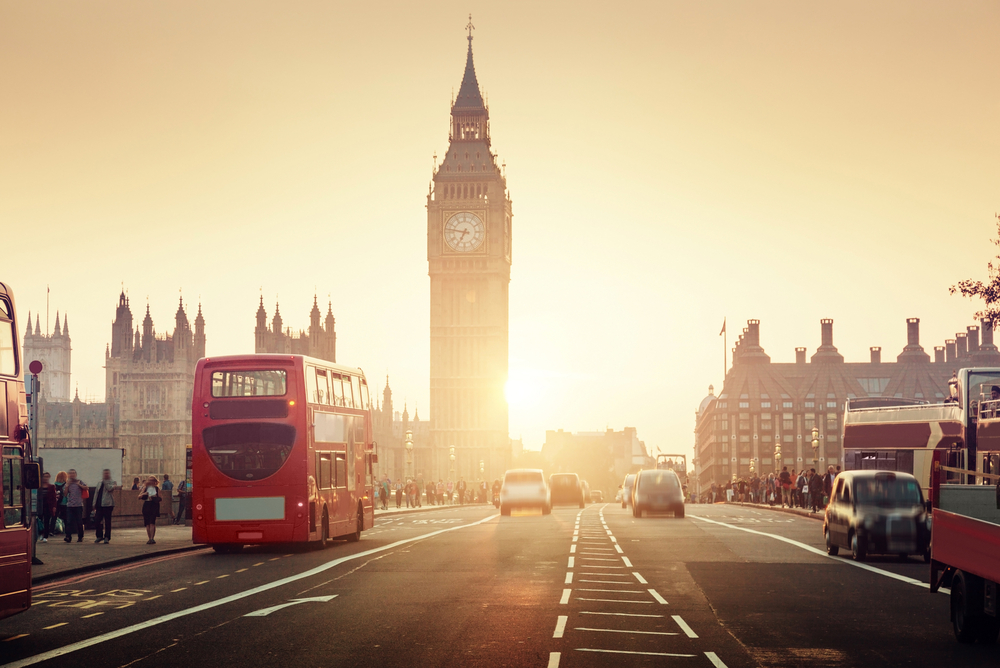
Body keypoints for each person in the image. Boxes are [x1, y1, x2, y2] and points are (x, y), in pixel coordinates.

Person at [92, 469, 117, 544]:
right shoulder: (99, 482)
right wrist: (94, 503)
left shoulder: (113, 482)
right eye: (104, 473)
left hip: (108, 504)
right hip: (99, 504)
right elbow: (96, 493)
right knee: (97, 520)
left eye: (107, 473)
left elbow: (110, 489)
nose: (106, 475)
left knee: (107, 521)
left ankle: (107, 537)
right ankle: (99, 536)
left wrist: (106, 482)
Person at [63, 469, 88, 543]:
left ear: (75, 474)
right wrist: (67, 486)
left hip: (78, 505)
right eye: (70, 473)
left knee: (79, 521)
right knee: (69, 521)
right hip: (70, 505)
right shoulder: (67, 483)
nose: (72, 475)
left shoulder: (79, 481)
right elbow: (65, 494)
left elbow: (86, 488)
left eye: (73, 473)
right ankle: (68, 537)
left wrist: (79, 485)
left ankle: (80, 536)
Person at [139, 476, 161, 544]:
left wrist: (154, 497)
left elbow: (160, 498)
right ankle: (149, 538)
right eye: (150, 480)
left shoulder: (157, 489)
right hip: (147, 505)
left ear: (155, 482)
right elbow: (139, 496)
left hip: (154, 505)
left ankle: (152, 538)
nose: (151, 482)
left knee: (152, 522)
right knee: (147, 523)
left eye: (152, 481)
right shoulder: (145, 488)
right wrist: (144, 494)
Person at [39, 472, 57, 542]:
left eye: (47, 477)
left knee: (46, 521)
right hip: (40, 505)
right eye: (44, 476)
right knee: (39, 520)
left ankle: (45, 536)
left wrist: (54, 506)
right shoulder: (39, 486)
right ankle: (40, 533)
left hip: (48, 505)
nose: (45, 478)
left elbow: (54, 497)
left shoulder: (51, 486)